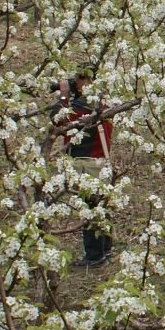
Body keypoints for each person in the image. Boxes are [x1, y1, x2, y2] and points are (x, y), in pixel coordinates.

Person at [52, 70, 113, 268]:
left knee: (89, 209)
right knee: (101, 205)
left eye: (78, 80)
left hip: (85, 163)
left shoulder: (82, 108)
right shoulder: (104, 104)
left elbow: (57, 118)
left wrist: (63, 96)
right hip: (102, 162)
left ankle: (94, 256)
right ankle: (106, 247)